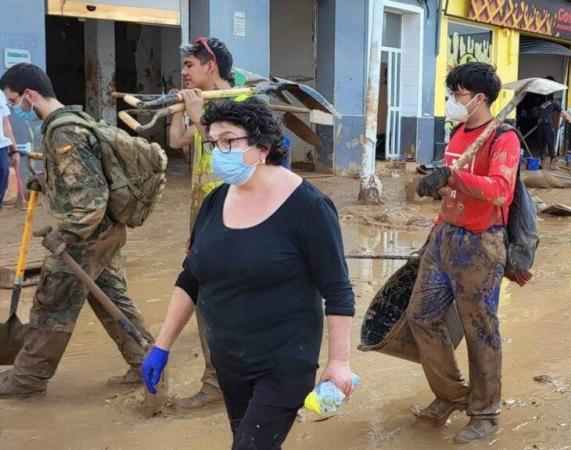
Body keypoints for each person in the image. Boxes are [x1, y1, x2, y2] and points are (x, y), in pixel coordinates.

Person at [141, 97, 356, 449]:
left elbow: (338, 291)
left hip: (284, 362)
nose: (217, 152)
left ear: (262, 146)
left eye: (228, 141)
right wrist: (161, 346)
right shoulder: (214, 202)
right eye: (212, 142)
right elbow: (191, 277)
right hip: (230, 361)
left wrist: (339, 361)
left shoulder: (309, 207)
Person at [0, 63, 153, 397]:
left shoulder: (63, 131)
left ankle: (27, 379)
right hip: (106, 234)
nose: (15, 109)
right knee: (113, 300)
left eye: (14, 101)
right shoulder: (76, 120)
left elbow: (90, 198)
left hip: (84, 238)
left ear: (29, 95)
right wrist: (46, 179)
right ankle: (147, 363)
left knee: (51, 304)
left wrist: (65, 235)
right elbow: (87, 175)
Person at [412, 62, 521, 442]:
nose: (451, 100)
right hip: (444, 237)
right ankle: (451, 394)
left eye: (456, 93)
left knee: (480, 329)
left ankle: (485, 412)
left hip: (480, 244)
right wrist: (436, 185)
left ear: (479, 98)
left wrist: (454, 176)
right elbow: (451, 187)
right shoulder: (458, 133)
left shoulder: (503, 138)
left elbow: (499, 191)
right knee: (421, 317)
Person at [168, 36, 236, 409]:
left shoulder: (240, 104)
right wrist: (180, 105)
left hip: (236, 218)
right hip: (204, 219)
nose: (184, 71)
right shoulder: (201, 103)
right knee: (204, 297)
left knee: (224, 301)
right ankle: (217, 382)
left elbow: (233, 161)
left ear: (211, 66)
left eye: (190, 65)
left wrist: (198, 116)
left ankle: (222, 384)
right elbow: (178, 140)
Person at [0, 89, 21, 210]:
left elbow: (6, 124)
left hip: (1, 147)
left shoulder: (0, 95)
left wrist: (15, 151)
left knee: (3, 176)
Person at [537, 90, 562, 168]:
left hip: (540, 125)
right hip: (547, 125)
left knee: (541, 143)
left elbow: (541, 114)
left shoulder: (542, 104)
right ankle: (553, 163)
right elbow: (562, 111)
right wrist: (569, 118)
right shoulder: (553, 103)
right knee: (550, 142)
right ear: (552, 97)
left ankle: (541, 162)